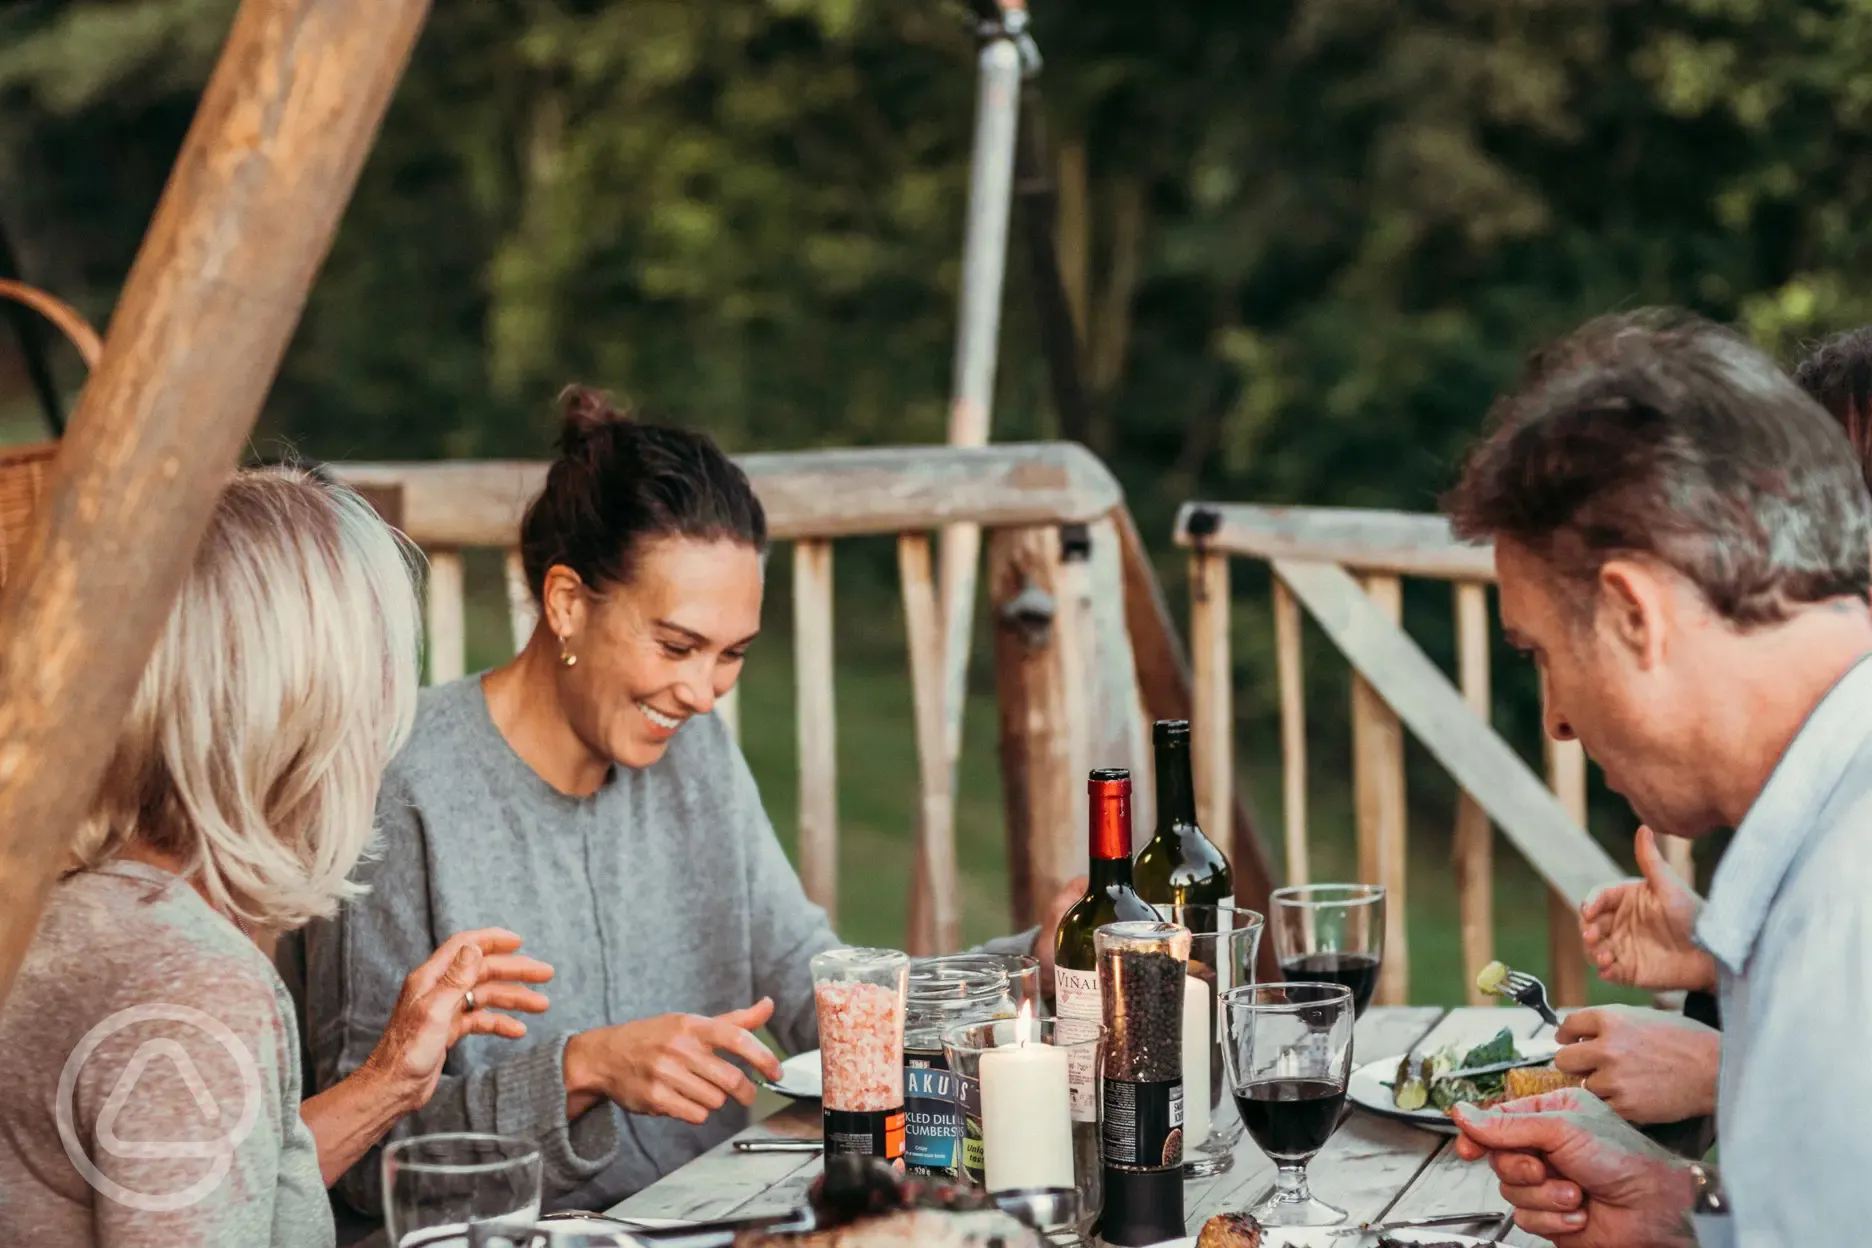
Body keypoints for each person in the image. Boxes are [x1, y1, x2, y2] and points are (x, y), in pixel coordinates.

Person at [305, 388, 1082, 1220]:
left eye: (732, 654)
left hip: (714, 1222)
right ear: (567, 602)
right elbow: (361, 1164)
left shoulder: (695, 754)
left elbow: (810, 987)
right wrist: (579, 1070)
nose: (702, 692)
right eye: (677, 646)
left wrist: (1026, 962)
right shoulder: (403, 785)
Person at [0, 470, 554, 1247]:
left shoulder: (83, 909)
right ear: (308, 720)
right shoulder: (195, 982)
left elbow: (204, 1182)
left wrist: (389, 1080)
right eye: (373, 698)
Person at [1440, 308, 1872, 1244]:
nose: (1555, 716)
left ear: (1635, 614)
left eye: (1541, 653)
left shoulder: (1846, 914)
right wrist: (1692, 1224)